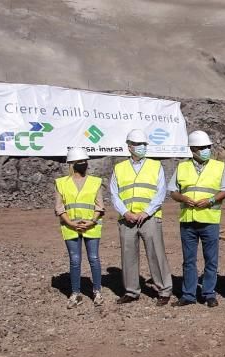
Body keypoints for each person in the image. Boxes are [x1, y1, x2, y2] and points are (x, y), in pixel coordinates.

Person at [110, 129, 173, 305]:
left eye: (144, 144)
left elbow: (160, 192)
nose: (141, 147)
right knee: (128, 254)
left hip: (149, 218)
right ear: (129, 147)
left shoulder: (155, 165)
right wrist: (125, 213)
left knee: (156, 254)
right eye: (137, 144)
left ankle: (164, 290)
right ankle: (131, 291)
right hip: (127, 219)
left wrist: (146, 212)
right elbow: (114, 194)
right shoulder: (119, 168)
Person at [169, 130, 225, 307]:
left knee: (211, 260)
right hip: (188, 220)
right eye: (202, 148)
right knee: (189, 260)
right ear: (192, 149)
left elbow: (224, 190)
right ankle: (188, 295)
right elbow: (173, 191)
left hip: (209, 220)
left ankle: (209, 293)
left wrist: (210, 201)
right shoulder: (182, 167)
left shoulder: (219, 166)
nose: (206, 150)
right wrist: (183, 198)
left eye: (207, 147)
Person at [55, 147, 104, 308]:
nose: (83, 164)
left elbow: (100, 206)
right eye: (80, 161)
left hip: (91, 226)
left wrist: (92, 221)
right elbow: (59, 207)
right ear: (71, 164)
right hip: (70, 227)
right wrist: (70, 222)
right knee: (75, 260)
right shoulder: (61, 183)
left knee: (94, 258)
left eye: (85, 161)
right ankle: (75, 293)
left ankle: (97, 291)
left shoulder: (95, 181)